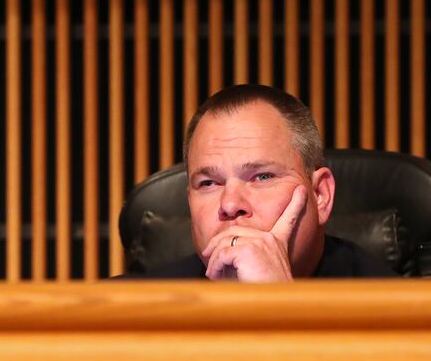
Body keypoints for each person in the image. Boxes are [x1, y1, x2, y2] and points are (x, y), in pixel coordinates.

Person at [125, 84, 394, 281]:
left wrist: (277, 305)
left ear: (320, 195)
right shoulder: (129, 309)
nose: (230, 204)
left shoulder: (398, 311)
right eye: (208, 183)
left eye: (262, 177)